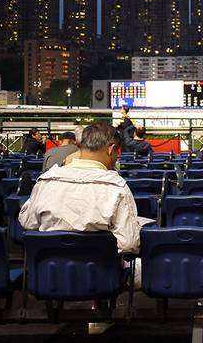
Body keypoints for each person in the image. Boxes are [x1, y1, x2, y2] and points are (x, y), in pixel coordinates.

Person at [19, 122, 142, 335]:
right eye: (117, 154)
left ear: (80, 146)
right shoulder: (117, 186)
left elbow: (28, 223)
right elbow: (130, 244)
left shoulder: (46, 180)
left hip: (51, 275)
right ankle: (102, 312)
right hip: (101, 277)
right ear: (111, 149)